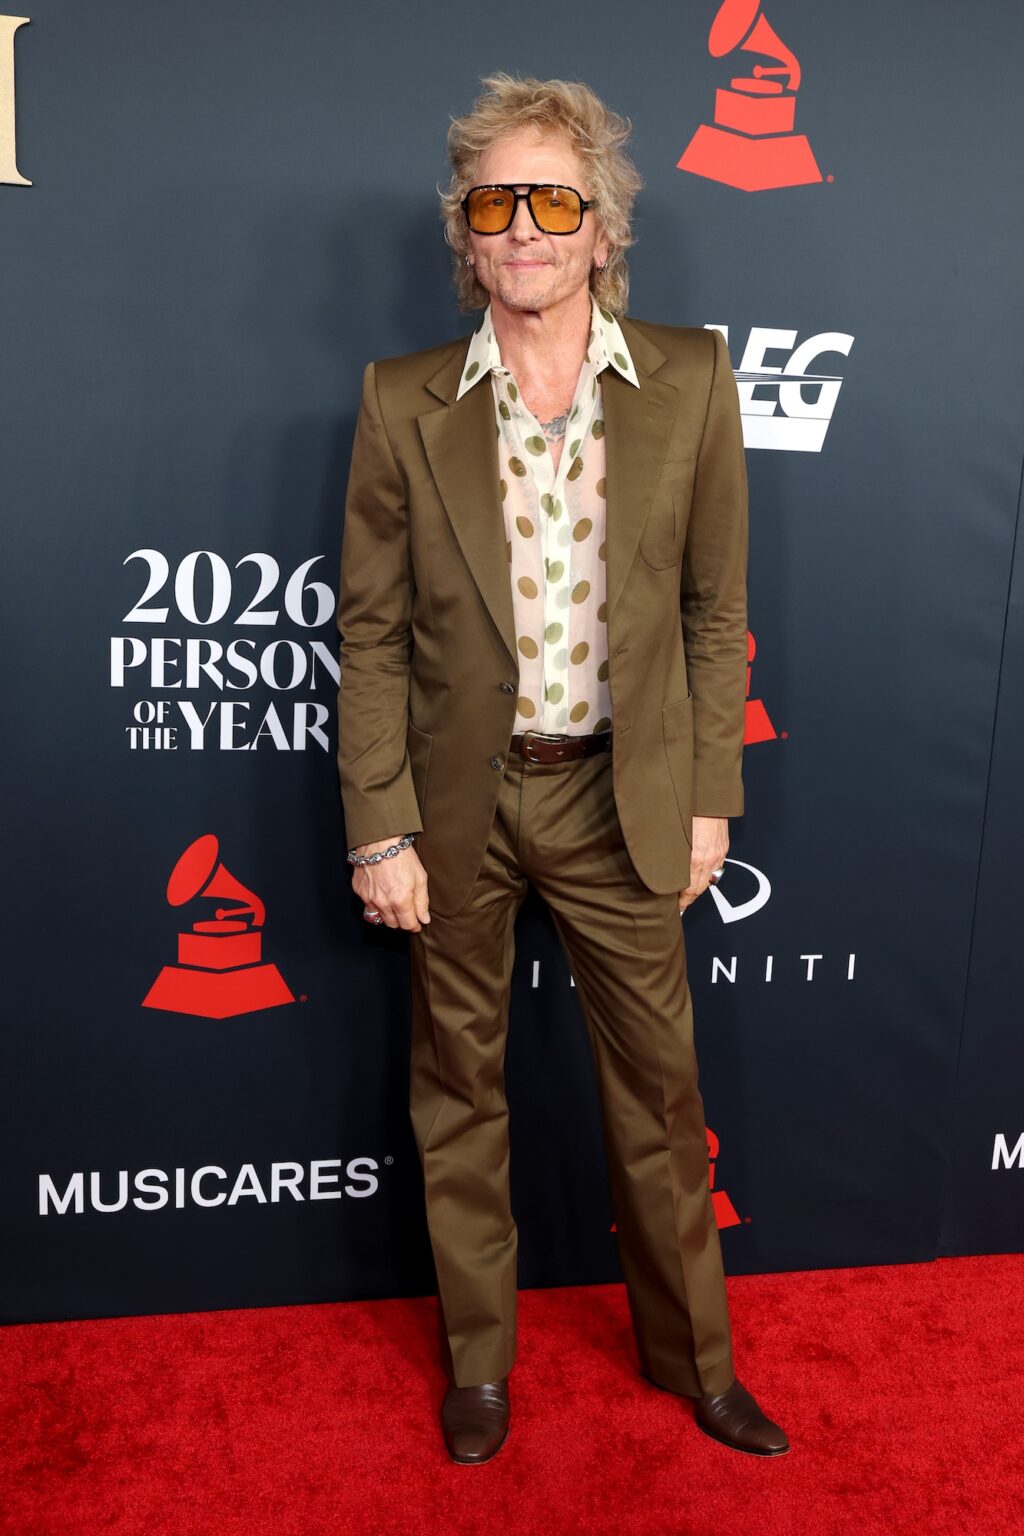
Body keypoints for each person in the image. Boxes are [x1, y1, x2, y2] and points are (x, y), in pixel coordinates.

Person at [335, 71, 789, 1465]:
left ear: (602, 228)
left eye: (553, 202)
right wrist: (378, 829)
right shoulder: (401, 400)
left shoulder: (696, 380)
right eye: (495, 204)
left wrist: (711, 792)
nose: (522, 228)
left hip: (618, 797)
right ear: (466, 238)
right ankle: (480, 1365)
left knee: (659, 1098)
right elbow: (369, 634)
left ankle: (697, 1363)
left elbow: (717, 612)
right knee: (456, 1094)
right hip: (460, 803)